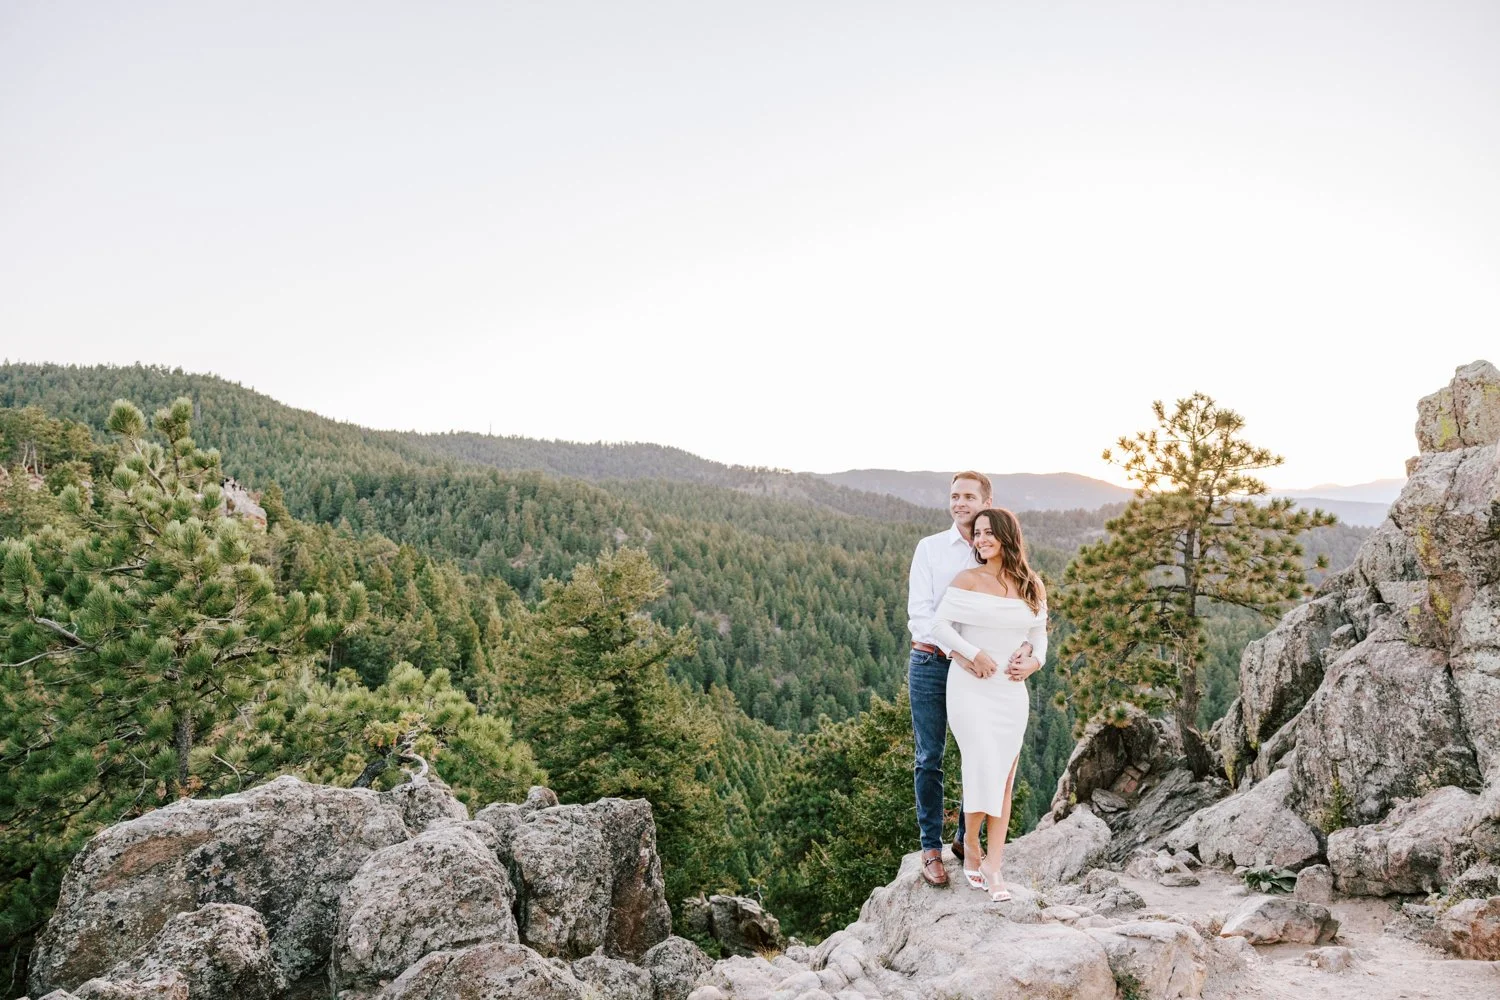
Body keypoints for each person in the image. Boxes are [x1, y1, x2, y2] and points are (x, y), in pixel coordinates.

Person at [929, 507, 1046, 901]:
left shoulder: (1031, 584)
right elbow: (939, 626)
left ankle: (995, 864)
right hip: (971, 686)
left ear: (1006, 536)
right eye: (976, 534)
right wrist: (971, 653)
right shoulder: (968, 579)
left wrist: (1032, 662)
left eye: (987, 533)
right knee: (980, 763)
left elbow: (1039, 638)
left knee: (1005, 778)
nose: (980, 540)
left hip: (1010, 692)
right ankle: (972, 846)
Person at [906, 471, 1000, 887]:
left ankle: (965, 838)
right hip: (930, 663)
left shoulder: (991, 552)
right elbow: (921, 615)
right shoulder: (930, 549)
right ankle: (931, 849)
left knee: (976, 752)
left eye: (968, 497)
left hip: (974, 666)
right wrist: (959, 653)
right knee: (930, 757)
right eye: (954, 496)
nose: (959, 503)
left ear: (985, 501)